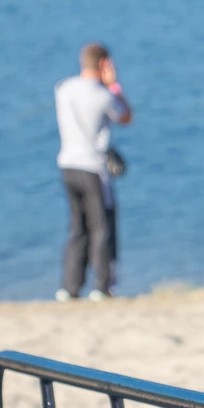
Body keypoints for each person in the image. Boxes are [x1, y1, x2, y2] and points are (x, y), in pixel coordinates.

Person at [54, 43, 133, 302]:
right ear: (103, 64)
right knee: (102, 226)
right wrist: (114, 84)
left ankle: (69, 287)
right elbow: (126, 116)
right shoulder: (103, 95)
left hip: (67, 164)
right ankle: (102, 286)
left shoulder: (64, 89)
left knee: (78, 227)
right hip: (93, 168)